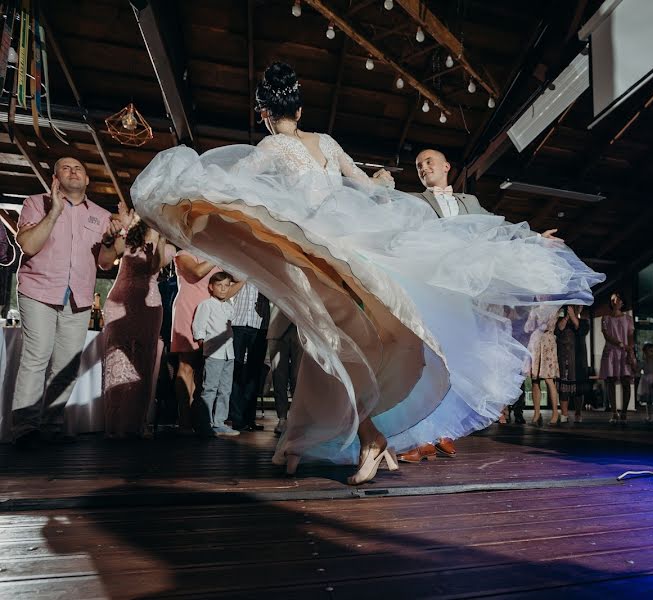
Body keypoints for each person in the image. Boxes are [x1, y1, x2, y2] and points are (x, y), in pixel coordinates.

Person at [130, 62, 602, 485]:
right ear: (299, 106)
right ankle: (300, 443)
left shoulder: (274, 146)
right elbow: (364, 184)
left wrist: (188, 196)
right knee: (324, 350)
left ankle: (370, 437)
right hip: (342, 253)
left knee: (329, 347)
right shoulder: (328, 144)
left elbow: (234, 185)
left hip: (311, 259)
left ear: (264, 113)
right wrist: (379, 185)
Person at [398, 149, 564, 460]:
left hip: (463, 295)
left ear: (447, 166)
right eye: (419, 165)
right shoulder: (414, 201)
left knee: (457, 363)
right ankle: (420, 437)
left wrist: (535, 239)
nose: (423, 167)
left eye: (429, 162)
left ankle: (443, 431)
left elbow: (498, 229)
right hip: (430, 290)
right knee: (427, 361)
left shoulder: (469, 203)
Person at [11, 158, 126, 446]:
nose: (73, 171)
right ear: (54, 178)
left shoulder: (100, 215)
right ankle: (24, 429)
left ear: (87, 180)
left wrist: (113, 240)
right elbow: (27, 245)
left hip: (79, 297)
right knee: (37, 357)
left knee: (66, 365)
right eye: (65, 167)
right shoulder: (36, 203)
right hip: (38, 291)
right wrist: (55, 213)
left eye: (79, 168)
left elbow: (105, 262)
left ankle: (51, 426)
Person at [101, 211, 175, 439]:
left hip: (148, 304)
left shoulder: (169, 248)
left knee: (142, 364)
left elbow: (154, 267)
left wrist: (161, 240)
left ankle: (136, 423)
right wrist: (111, 237)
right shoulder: (129, 239)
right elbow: (106, 260)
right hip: (119, 300)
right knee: (117, 361)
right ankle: (114, 423)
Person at [192, 272, 241, 437]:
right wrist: (203, 343)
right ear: (211, 287)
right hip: (214, 353)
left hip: (229, 353)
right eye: (219, 285)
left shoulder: (229, 305)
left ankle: (219, 422)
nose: (223, 289)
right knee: (210, 388)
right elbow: (199, 326)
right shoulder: (206, 305)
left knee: (225, 389)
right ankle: (205, 424)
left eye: (227, 285)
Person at [228, 282, 269, 432]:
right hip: (238, 321)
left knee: (254, 373)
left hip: (260, 323)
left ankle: (249, 418)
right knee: (236, 370)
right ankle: (236, 418)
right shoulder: (241, 263)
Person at [599, 292, 635, 426]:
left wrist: (630, 349)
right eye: (612, 299)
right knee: (610, 382)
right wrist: (620, 344)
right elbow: (607, 335)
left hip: (625, 352)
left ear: (622, 302)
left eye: (617, 299)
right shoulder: (605, 318)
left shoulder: (628, 319)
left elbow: (631, 335)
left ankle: (624, 412)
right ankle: (614, 412)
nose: (615, 301)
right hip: (611, 351)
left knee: (626, 380)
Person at [267, 305, 302, 436]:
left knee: (298, 377)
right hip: (277, 328)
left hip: (301, 328)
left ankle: (297, 418)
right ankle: (282, 418)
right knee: (279, 377)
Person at [527, 310, 561, 425]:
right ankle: (537, 413)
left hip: (547, 342)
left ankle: (555, 412)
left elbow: (548, 325)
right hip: (535, 343)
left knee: (548, 379)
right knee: (535, 379)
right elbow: (528, 327)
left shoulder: (554, 308)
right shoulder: (534, 309)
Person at [556, 305, 589, 423]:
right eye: (577, 305)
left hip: (578, 359)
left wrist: (573, 316)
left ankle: (578, 412)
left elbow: (580, 329)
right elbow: (558, 329)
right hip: (564, 358)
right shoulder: (562, 320)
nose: (580, 307)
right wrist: (566, 317)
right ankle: (564, 414)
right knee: (564, 387)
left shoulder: (584, 322)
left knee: (578, 389)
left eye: (581, 306)